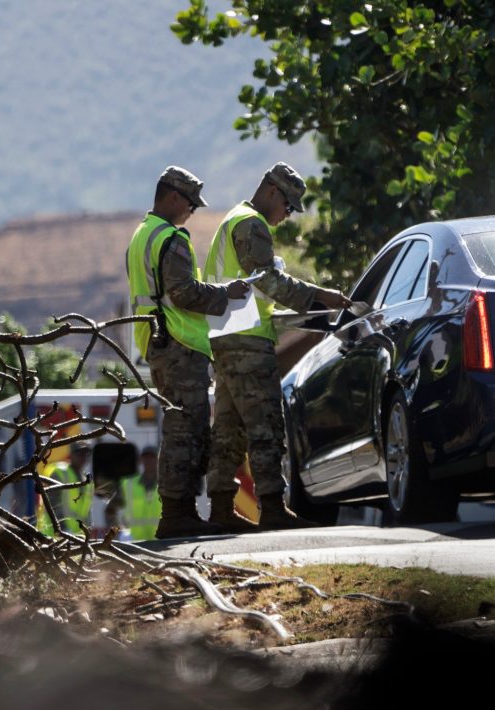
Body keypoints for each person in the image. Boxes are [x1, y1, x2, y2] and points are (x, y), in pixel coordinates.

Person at [202, 162, 352, 530]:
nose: (287, 216)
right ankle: (271, 507)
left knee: (229, 428)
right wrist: (320, 298)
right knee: (265, 424)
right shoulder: (251, 224)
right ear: (272, 192)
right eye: (288, 206)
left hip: (227, 336)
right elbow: (267, 280)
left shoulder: (234, 220)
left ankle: (221, 509)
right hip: (247, 341)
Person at [126, 166, 250, 538]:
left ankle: (180, 511)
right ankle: (177, 513)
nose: (193, 211)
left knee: (182, 426)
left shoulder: (141, 235)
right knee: (187, 429)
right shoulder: (171, 238)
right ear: (173, 197)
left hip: (157, 342)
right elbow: (184, 293)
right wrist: (227, 294)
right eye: (191, 204)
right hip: (179, 342)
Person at [37, 440, 93, 535]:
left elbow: (86, 513)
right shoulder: (60, 473)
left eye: (86, 455)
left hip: (75, 537)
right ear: (71, 455)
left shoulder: (87, 481)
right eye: (80, 454)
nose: (84, 458)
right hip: (53, 534)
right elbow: (52, 505)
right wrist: (63, 529)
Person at [121, 445, 162, 541]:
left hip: (161, 541)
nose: (148, 460)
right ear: (141, 460)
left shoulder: (167, 484)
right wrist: (118, 531)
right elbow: (110, 510)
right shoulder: (129, 484)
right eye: (145, 457)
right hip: (136, 541)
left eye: (152, 457)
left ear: (159, 459)